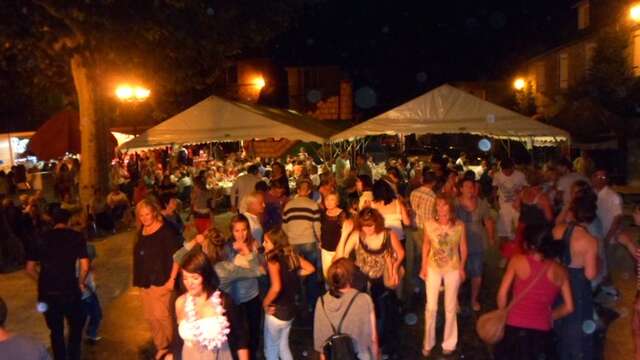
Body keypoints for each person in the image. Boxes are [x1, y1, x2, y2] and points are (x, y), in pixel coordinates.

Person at [494, 225, 574, 360]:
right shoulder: (561, 271)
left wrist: (502, 313)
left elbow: (502, 294)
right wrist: (549, 316)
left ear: (528, 244)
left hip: (514, 328)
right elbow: (569, 307)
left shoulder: (517, 261)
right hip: (542, 333)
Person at [335, 207, 404, 357]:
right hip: (361, 280)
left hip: (380, 281)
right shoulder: (357, 235)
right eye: (364, 225)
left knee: (381, 315)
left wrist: (394, 267)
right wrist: (344, 234)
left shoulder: (388, 234)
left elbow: (401, 253)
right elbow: (341, 257)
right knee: (362, 315)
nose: (367, 229)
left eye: (370, 225)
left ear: (377, 222)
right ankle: (363, 345)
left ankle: (379, 346)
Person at [25, 208, 88, 360]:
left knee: (56, 330)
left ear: (52, 221)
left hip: (47, 293)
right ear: (68, 221)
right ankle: (74, 356)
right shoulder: (77, 236)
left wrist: (41, 280)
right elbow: (85, 266)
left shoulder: (39, 237)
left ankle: (59, 357)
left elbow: (29, 268)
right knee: (76, 327)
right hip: (70, 290)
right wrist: (80, 283)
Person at [132, 199, 182, 360]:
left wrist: (172, 280)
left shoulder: (166, 232)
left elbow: (177, 256)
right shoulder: (141, 231)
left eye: (147, 214)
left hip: (162, 280)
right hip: (145, 281)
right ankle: (161, 346)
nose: (145, 218)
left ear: (154, 212)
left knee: (164, 317)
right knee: (151, 317)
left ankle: (173, 348)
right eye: (141, 215)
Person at [552, 192, 599, 360]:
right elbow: (591, 274)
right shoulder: (590, 241)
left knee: (557, 318)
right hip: (578, 286)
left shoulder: (557, 230)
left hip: (557, 279)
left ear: (572, 212)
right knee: (577, 326)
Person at [420, 195, 467, 356]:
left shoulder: (459, 225)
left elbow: (463, 248)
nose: (441, 209)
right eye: (438, 206)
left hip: (452, 267)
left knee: (450, 306)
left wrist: (462, 267)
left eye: (444, 206)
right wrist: (423, 266)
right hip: (433, 266)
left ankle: (449, 342)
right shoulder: (428, 224)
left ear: (450, 208)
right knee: (430, 307)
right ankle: (428, 342)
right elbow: (426, 245)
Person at [262, 228, 315, 360]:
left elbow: (276, 287)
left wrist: (265, 303)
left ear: (276, 243)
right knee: (283, 345)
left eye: (266, 242)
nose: (263, 244)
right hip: (290, 310)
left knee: (271, 349)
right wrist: (296, 275)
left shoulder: (272, 260)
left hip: (277, 310)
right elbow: (311, 268)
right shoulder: (291, 255)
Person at [313, 258, 379, 360]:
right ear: (350, 277)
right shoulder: (364, 299)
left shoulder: (321, 302)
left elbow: (321, 344)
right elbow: (373, 339)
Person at [176, 250, 233, 360]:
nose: (189, 283)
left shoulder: (223, 301)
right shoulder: (180, 302)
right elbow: (177, 340)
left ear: (206, 276)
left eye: (195, 278)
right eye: (185, 278)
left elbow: (240, 338)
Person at [226, 215, 263, 359]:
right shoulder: (228, 249)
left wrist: (248, 251)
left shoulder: (254, 244)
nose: (241, 234)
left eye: (244, 230)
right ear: (231, 231)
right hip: (235, 299)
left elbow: (259, 271)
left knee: (254, 333)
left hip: (252, 295)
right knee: (239, 335)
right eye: (237, 231)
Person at [282, 178, 322, 308]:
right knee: (311, 272)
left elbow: (284, 226)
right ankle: (312, 302)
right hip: (309, 241)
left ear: (298, 190)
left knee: (294, 270)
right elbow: (317, 226)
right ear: (309, 191)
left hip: (293, 242)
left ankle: (297, 298)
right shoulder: (313, 205)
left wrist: (290, 237)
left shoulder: (288, 205)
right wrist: (319, 240)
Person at [455, 178, 494, 311]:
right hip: (459, 242)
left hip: (477, 242)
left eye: (471, 186)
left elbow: (488, 221)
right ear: (460, 189)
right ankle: (455, 301)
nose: (470, 189)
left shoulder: (481, 203)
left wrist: (490, 238)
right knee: (457, 273)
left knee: (477, 273)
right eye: (466, 186)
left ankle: (474, 300)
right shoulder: (454, 203)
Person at [408, 170, 438, 293]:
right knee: (424, 256)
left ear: (422, 180)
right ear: (434, 183)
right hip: (426, 230)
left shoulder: (413, 193)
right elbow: (434, 216)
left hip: (412, 228)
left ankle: (413, 282)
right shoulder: (433, 197)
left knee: (413, 256)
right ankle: (422, 280)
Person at [492, 158, 527, 257]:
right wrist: (495, 201)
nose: (506, 172)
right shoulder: (497, 175)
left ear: (513, 168)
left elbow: (525, 188)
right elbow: (494, 188)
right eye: (504, 170)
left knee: (519, 231)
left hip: (517, 206)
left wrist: (521, 198)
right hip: (503, 206)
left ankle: (519, 253)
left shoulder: (520, 176)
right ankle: (504, 255)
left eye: (509, 170)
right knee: (503, 232)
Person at [319, 192, 350, 278]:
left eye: (332, 200)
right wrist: (320, 241)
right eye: (327, 199)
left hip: (338, 250)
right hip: (325, 249)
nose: (328, 202)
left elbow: (346, 232)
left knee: (339, 275)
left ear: (337, 202)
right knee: (327, 274)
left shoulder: (342, 214)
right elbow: (322, 229)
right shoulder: (323, 214)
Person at [371, 179, 410, 245]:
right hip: (399, 237)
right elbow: (407, 222)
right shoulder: (397, 202)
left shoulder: (372, 205)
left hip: (381, 238)